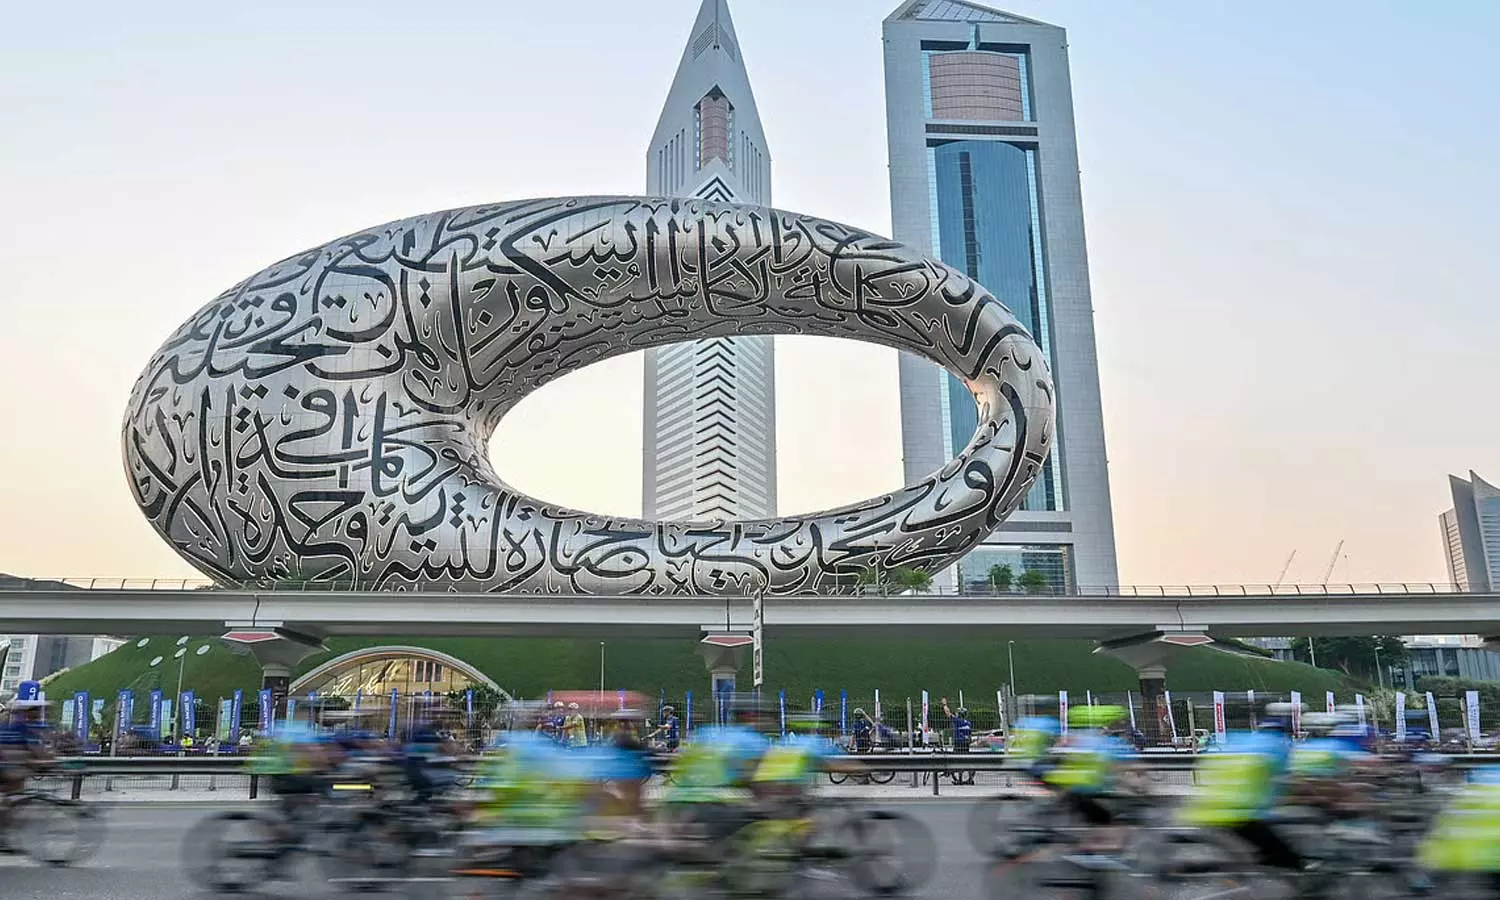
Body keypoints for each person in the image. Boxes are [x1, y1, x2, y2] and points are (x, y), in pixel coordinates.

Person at [1178, 715, 1301, 873]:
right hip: (1241, 813)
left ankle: (1188, 870)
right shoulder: (1278, 746)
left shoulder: (1238, 740)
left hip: (1206, 809)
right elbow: (1288, 782)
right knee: (1287, 860)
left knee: (1242, 855)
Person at [0, 700, 51, 850]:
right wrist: (47, 763)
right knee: (12, 799)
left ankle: (3, 833)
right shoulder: (23, 728)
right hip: (6, 767)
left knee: (13, 798)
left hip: (8, 765)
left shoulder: (15, 726)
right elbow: (37, 751)